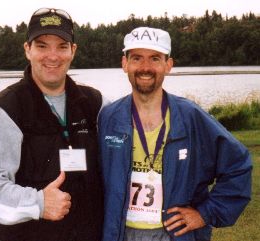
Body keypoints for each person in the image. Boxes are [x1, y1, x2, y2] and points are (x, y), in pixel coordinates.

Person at [0, 8, 106, 241]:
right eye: (41, 45)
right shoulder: (7, 109)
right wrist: (37, 203)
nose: (52, 55)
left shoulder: (95, 104)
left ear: (73, 51)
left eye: (61, 46)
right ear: (27, 50)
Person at [98, 26, 252, 241]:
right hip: (120, 233)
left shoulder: (191, 116)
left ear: (168, 65)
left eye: (154, 58)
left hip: (175, 234)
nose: (145, 67)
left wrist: (205, 213)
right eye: (136, 58)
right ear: (124, 64)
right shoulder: (108, 117)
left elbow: (238, 165)